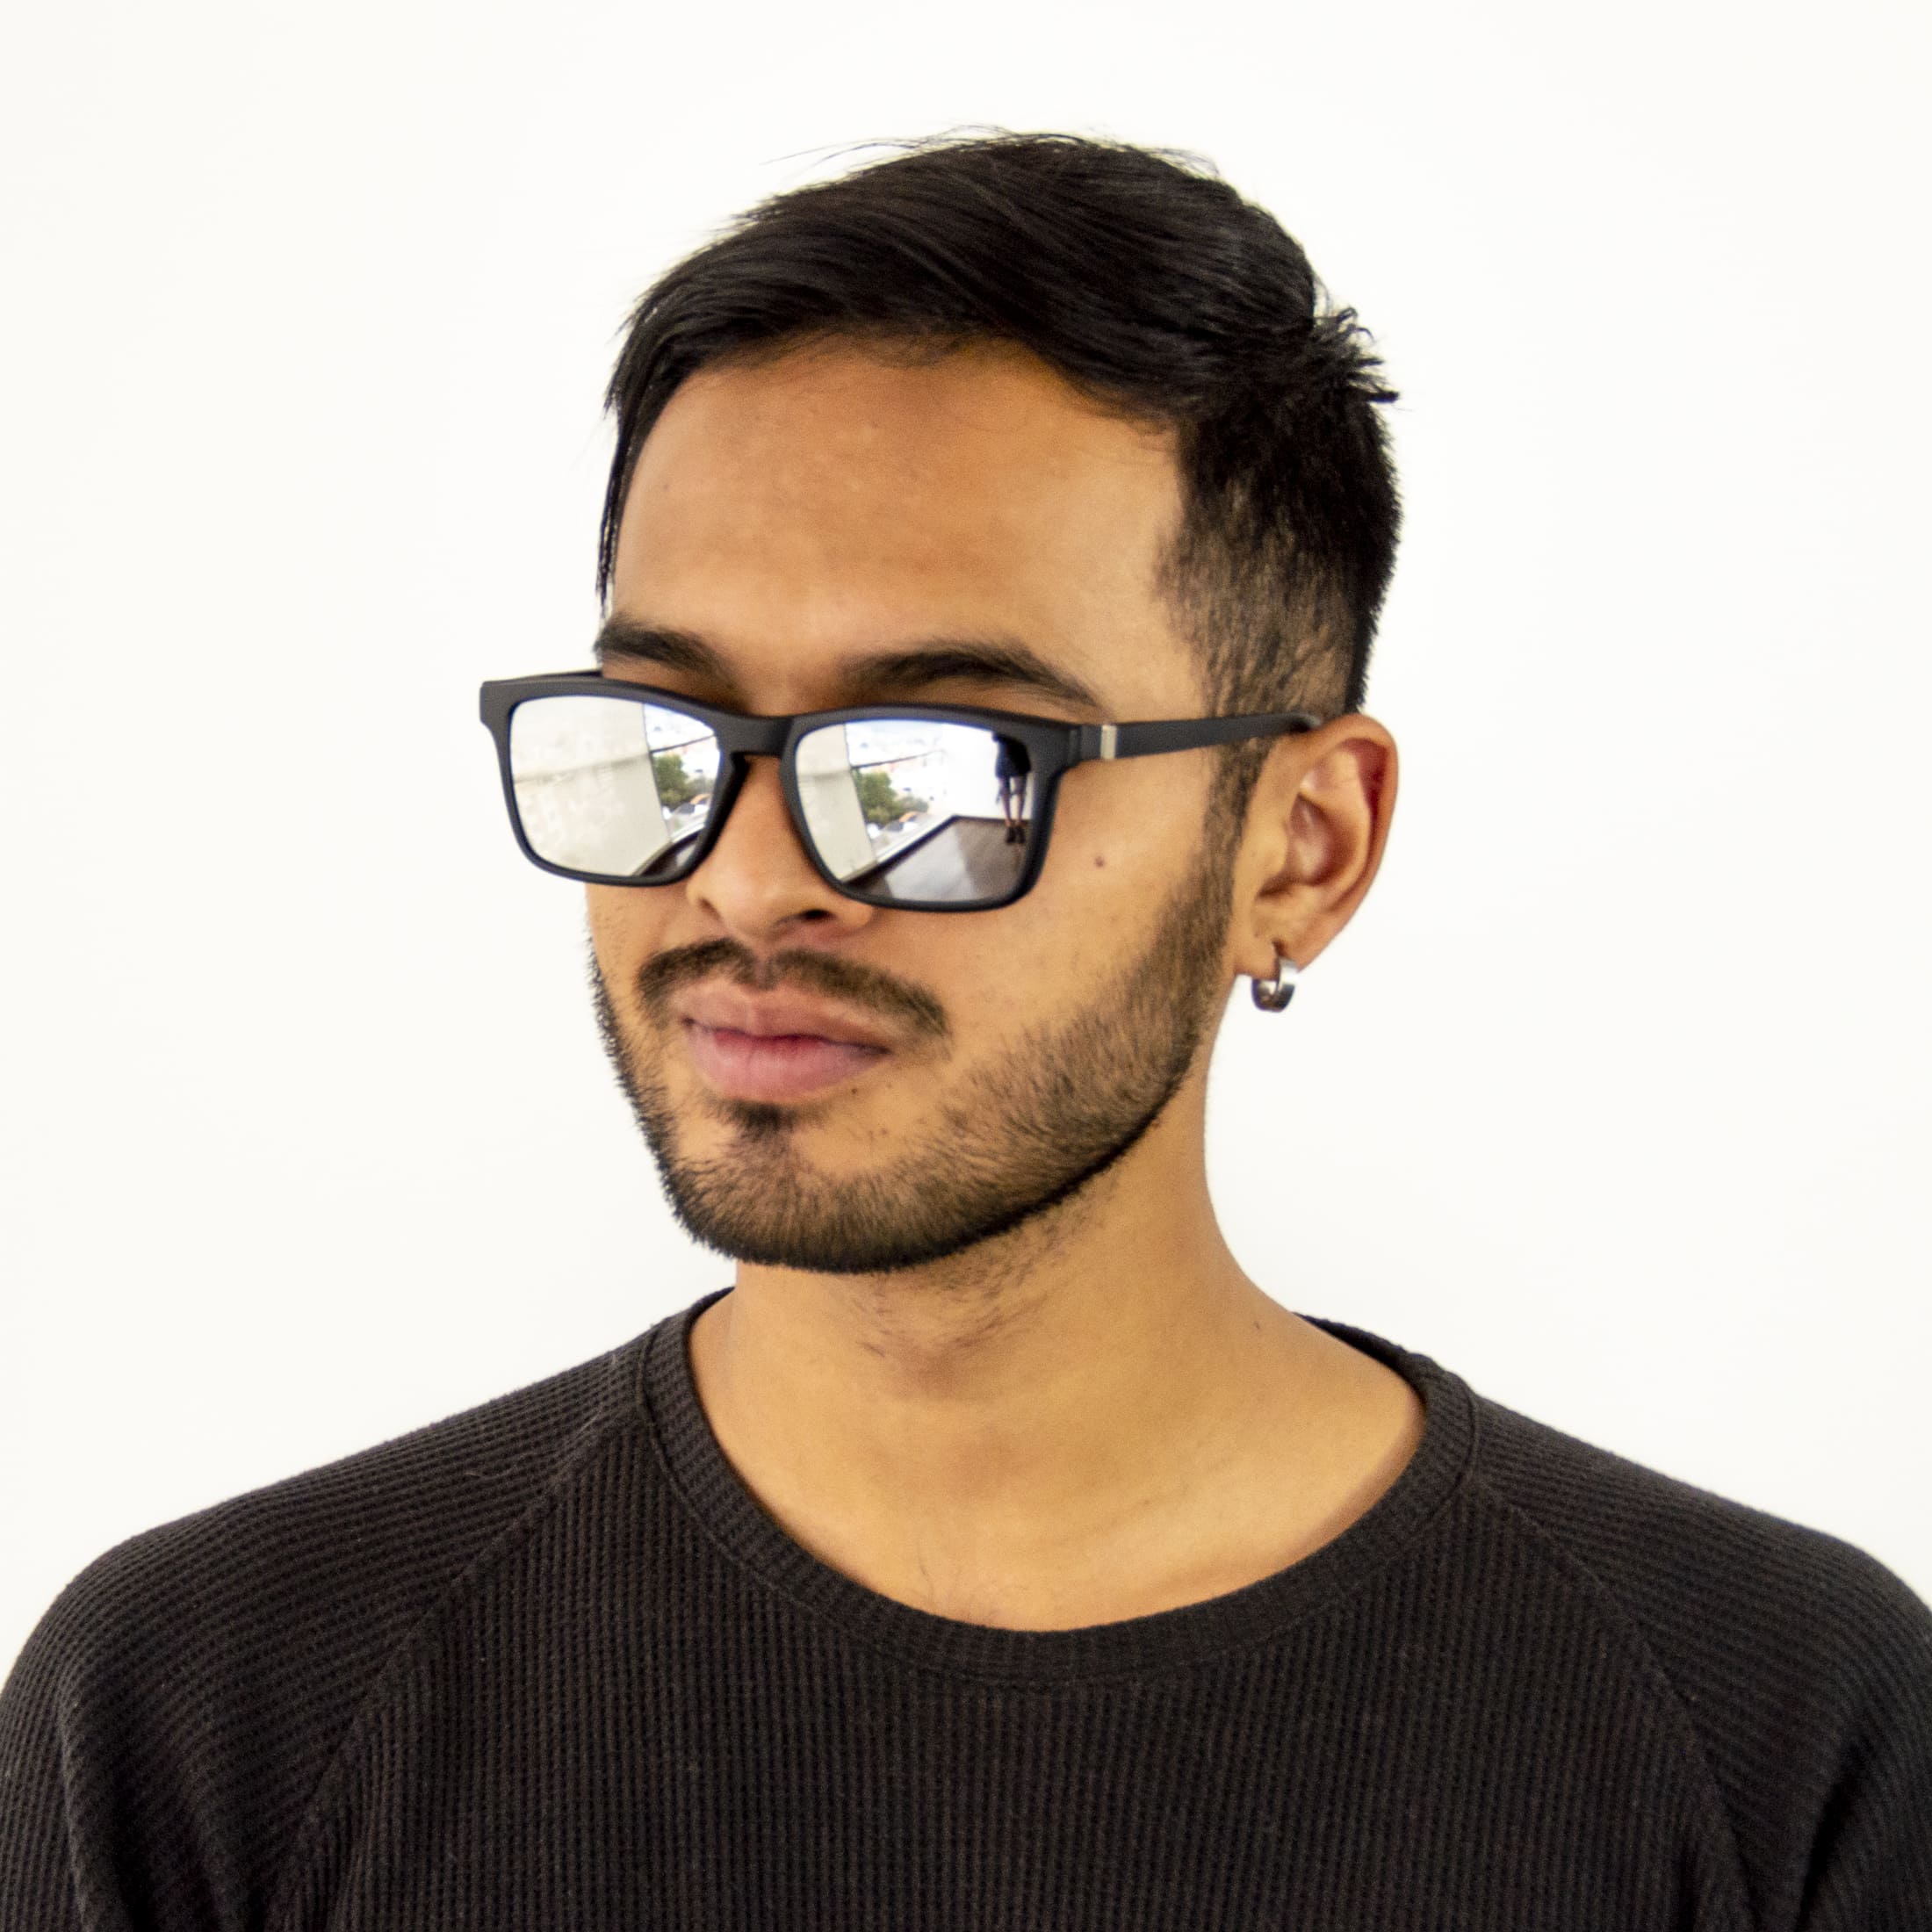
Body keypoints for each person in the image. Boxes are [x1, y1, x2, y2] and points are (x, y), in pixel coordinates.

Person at [3, 132, 1928, 1932]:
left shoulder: (1783, 1739)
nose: (749, 881)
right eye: (669, 731)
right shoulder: (205, 1720)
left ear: (1302, 847)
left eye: (938, 762)